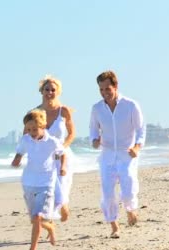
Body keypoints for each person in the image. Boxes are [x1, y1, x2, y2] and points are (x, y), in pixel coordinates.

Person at [89, 70, 145, 238]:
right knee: (107, 193)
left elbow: (141, 129)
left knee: (128, 190)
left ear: (115, 86)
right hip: (106, 156)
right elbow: (93, 129)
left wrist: (137, 147)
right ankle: (114, 225)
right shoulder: (97, 108)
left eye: (108, 88)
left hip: (126, 154)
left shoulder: (131, 105)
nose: (105, 93)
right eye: (101, 90)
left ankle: (130, 209)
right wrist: (94, 140)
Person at [12, 109, 66, 250]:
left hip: (46, 183)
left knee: (37, 217)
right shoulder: (26, 139)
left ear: (42, 126)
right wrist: (16, 160)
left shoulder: (51, 141)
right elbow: (20, 153)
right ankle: (50, 227)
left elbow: (62, 154)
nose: (31, 132)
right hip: (28, 182)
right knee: (35, 219)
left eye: (34, 129)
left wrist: (62, 167)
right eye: (28, 129)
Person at [33, 75, 76, 222]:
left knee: (61, 194)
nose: (49, 92)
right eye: (47, 89)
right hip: (44, 160)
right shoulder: (34, 113)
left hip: (62, 158)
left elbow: (71, 134)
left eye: (53, 90)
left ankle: (63, 209)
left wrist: (62, 148)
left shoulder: (63, 111)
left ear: (58, 92)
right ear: (41, 91)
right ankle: (49, 224)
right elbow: (28, 136)